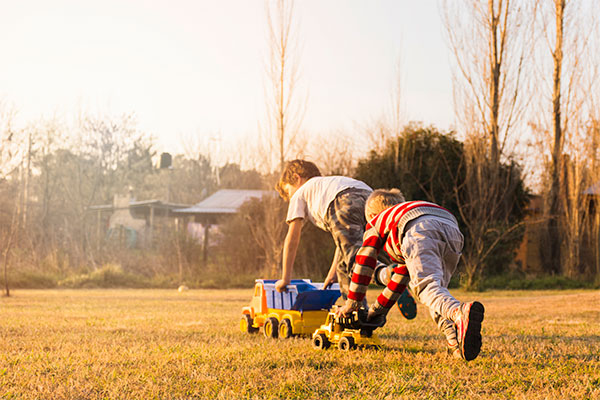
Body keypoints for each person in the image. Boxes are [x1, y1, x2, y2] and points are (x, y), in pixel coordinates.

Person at [336, 188, 485, 361]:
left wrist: (352, 303)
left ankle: (458, 311)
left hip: (421, 229)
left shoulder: (377, 221)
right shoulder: (402, 216)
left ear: (371, 215)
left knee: (426, 289)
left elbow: (364, 260)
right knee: (436, 293)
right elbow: (398, 280)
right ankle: (456, 344)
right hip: (452, 229)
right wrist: (375, 313)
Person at [273, 159, 373, 299]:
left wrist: (285, 279)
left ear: (297, 178)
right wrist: (332, 274)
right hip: (370, 197)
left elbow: (292, 239)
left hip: (343, 200)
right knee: (345, 267)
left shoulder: (300, 192)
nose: (291, 198)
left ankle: (386, 276)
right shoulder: (327, 185)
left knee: (356, 263)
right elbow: (343, 242)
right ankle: (358, 313)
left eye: (289, 192)